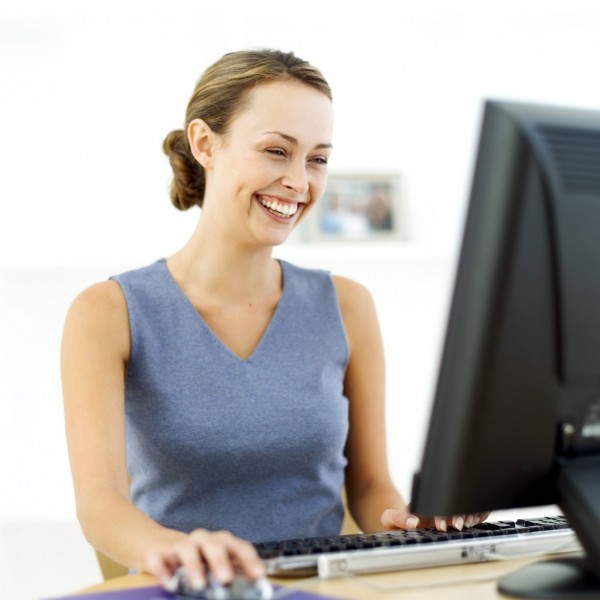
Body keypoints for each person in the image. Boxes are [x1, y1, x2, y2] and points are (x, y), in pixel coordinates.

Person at [61, 49, 487, 593]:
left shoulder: (347, 305)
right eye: (276, 151)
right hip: (194, 588)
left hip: (324, 588)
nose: (299, 181)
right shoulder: (108, 312)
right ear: (204, 144)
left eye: (317, 159)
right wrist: (176, 551)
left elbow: (370, 487)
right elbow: (100, 504)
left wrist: (415, 524)